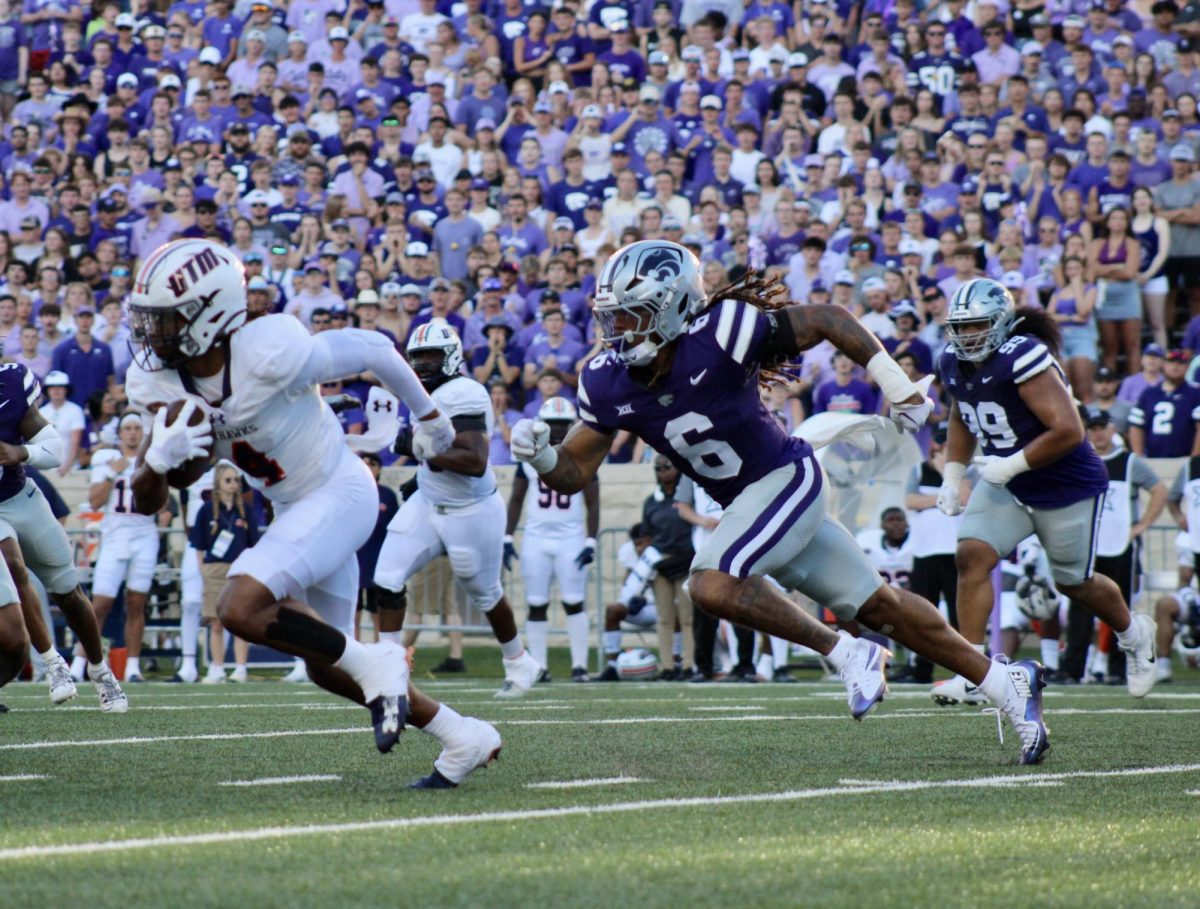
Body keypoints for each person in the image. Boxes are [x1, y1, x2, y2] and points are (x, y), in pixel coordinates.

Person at [512, 239, 1050, 764]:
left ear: (675, 308)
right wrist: (539, 458)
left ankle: (846, 652)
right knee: (880, 608)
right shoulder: (606, 382)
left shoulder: (721, 332)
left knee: (711, 582)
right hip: (752, 505)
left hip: (786, 478)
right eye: (614, 317)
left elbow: (827, 318)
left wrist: (895, 382)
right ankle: (1006, 681)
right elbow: (574, 471)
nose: (618, 330)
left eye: (633, 315)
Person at [127, 239, 499, 789]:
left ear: (210, 314)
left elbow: (373, 347)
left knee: (239, 605)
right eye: (148, 321)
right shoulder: (160, 383)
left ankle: (380, 662)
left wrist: (429, 415)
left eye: (166, 321)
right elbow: (149, 498)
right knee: (328, 664)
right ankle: (461, 734)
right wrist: (159, 459)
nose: (151, 335)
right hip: (293, 511)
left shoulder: (270, 349)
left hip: (341, 493)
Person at [934, 277, 1158, 712]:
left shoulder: (1022, 357)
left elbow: (1069, 431)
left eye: (976, 325)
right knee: (972, 554)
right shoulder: (952, 362)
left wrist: (1012, 463)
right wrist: (952, 473)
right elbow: (962, 412)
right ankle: (976, 670)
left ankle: (1134, 635)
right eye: (959, 327)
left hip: (1064, 485)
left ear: (1000, 324)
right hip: (1010, 486)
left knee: (1074, 582)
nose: (966, 336)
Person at [373, 319, 542, 699]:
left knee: (484, 592)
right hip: (430, 502)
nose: (422, 364)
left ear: (451, 356)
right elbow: (428, 449)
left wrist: (418, 448)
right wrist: (420, 469)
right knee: (386, 578)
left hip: (471, 509)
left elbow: (473, 460)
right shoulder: (420, 393)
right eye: (417, 357)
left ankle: (519, 661)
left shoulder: (465, 391)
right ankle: (388, 667)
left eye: (431, 355)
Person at [0, 361, 125, 711]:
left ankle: (102, 673)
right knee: (13, 564)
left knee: (68, 591)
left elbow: (54, 449)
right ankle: (54, 664)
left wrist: (20, 452)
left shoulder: (9, 384)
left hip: (21, 499)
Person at [1059, 411, 1166, 684]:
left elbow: (1159, 489)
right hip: (1088, 543)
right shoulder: (1079, 458)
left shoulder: (1129, 461)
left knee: (1121, 610)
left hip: (1120, 545)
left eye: (1102, 427)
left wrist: (1141, 526)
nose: (1097, 433)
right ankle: (1072, 669)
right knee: (1079, 608)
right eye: (1092, 428)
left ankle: (1119, 670)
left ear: (1112, 428)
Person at [504, 396, 598, 682]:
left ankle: (579, 666)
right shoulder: (528, 456)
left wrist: (591, 540)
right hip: (535, 537)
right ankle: (540, 667)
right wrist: (508, 536)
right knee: (536, 604)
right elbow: (517, 498)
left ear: (572, 426)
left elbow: (594, 503)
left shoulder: (583, 455)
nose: (557, 431)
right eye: (552, 425)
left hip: (571, 537)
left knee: (574, 601)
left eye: (562, 425)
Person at [893, 423, 970, 685]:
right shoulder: (918, 470)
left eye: (948, 442)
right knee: (923, 614)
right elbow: (910, 501)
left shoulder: (968, 471)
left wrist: (944, 472)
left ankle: (967, 667)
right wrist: (944, 495)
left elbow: (965, 498)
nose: (943, 447)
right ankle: (920, 667)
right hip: (925, 553)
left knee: (959, 614)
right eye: (940, 442)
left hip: (954, 552)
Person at [189, 461, 261, 683]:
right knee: (215, 621)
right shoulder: (206, 510)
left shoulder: (245, 511)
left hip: (238, 568)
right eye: (228, 480)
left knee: (240, 620)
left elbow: (252, 544)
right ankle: (217, 667)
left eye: (236, 480)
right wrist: (204, 570)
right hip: (214, 567)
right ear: (218, 484)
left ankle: (240, 668)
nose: (233, 485)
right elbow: (198, 546)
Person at [354, 450, 399, 643]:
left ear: (379, 469)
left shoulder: (387, 495)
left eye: (372, 464)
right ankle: (352, 649)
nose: (368, 467)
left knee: (377, 610)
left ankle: (379, 649)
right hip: (354, 558)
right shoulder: (351, 492)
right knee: (352, 611)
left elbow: (396, 526)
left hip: (378, 560)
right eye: (363, 464)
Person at [1128, 348, 1200, 458]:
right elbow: (1136, 425)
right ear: (1163, 365)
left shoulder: (1195, 393)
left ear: (1187, 367)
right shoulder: (1149, 393)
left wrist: (1195, 459)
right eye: (1171, 362)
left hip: (1184, 459)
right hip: (1153, 460)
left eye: (1180, 363)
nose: (1175, 366)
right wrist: (1139, 456)